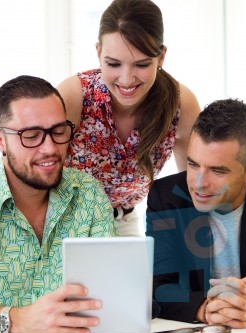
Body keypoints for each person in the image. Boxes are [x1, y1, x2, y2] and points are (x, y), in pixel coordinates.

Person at [0, 75, 117, 333]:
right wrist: (16, 321)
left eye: (58, 132)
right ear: (0, 141)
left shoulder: (88, 194)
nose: (50, 148)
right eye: (31, 136)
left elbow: (112, 294)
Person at [57, 0, 200, 236]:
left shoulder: (181, 104)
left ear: (161, 57)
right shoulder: (74, 96)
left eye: (142, 64)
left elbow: (191, 187)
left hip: (125, 221)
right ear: (98, 52)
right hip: (67, 221)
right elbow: (37, 172)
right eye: (113, 64)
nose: (126, 79)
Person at [146, 98, 246, 328]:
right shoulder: (167, 197)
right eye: (193, 164)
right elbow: (159, 285)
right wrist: (205, 309)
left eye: (217, 170)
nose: (198, 183)